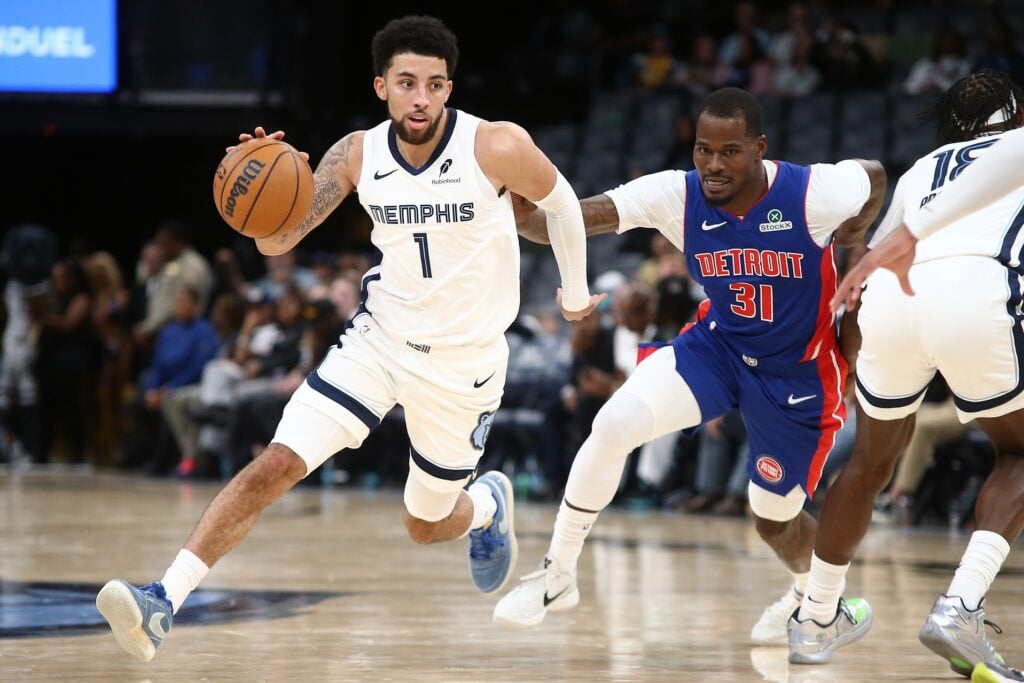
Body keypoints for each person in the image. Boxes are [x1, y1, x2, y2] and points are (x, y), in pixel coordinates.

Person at [95, 15, 603, 662]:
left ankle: (483, 505)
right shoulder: (357, 154)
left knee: (423, 523)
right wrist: (267, 185)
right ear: (381, 86)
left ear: (449, 88)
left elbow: (561, 202)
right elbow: (275, 239)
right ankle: (162, 599)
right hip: (378, 341)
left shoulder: (495, 146)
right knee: (275, 463)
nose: (421, 97)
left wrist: (575, 288)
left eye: (435, 84)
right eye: (406, 82)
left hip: (463, 366)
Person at [495, 87, 886, 645]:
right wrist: (513, 202)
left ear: (759, 149)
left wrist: (854, 240)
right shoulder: (676, 195)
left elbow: (873, 175)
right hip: (718, 347)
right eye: (704, 149)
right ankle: (558, 572)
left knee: (774, 518)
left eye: (730, 151)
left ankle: (815, 598)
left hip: (797, 373)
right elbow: (568, 221)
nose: (713, 164)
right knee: (613, 425)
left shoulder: (812, 192)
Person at [790, 70, 1024, 682]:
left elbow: (884, 250)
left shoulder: (922, 166)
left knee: (868, 464)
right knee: (1020, 454)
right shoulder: (1017, 149)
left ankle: (815, 618)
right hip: (975, 287)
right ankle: (961, 607)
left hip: (892, 296)